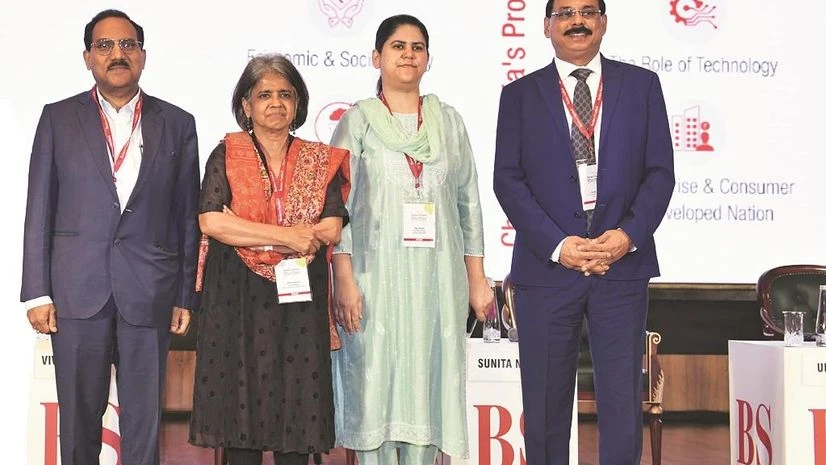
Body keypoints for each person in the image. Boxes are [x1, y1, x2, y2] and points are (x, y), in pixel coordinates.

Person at [493, 1, 675, 464]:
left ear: (604, 23)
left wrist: (626, 236)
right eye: (567, 12)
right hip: (547, 270)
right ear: (547, 26)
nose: (578, 21)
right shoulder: (518, 95)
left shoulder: (642, 86)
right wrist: (559, 246)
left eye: (589, 11)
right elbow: (507, 181)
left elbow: (659, 173)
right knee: (546, 403)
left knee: (620, 401)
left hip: (622, 268)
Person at [21, 9, 201, 465]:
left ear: (143, 55)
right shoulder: (58, 119)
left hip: (151, 290)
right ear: (87, 58)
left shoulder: (178, 123)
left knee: (145, 424)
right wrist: (37, 291)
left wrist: (185, 293)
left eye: (127, 45)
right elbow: (39, 208)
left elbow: (186, 217)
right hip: (77, 291)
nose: (117, 54)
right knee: (79, 421)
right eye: (104, 46)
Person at [330, 14, 493, 465]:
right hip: (372, 279)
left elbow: (468, 204)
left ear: (428, 60)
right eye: (397, 46)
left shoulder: (448, 122)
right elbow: (336, 207)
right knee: (376, 380)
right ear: (376, 57)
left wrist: (477, 280)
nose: (407, 54)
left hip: (436, 280)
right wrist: (343, 279)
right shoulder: (357, 122)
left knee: (429, 382)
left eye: (416, 47)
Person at [188, 53, 350, 465]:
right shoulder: (227, 153)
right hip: (236, 300)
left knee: (295, 411)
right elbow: (211, 221)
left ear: (298, 103)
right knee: (240, 417)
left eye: (285, 94)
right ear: (246, 105)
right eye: (264, 95)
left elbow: (331, 228)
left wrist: (245, 227)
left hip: (297, 304)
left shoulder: (319, 158)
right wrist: (290, 236)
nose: (275, 103)